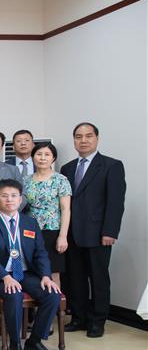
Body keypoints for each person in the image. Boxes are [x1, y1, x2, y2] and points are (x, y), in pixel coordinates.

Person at [0, 180, 61, 350]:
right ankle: (15, 344)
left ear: (20, 199)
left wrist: (46, 276)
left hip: (25, 273)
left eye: (14, 196)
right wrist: (4, 276)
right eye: (4, 195)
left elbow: (41, 253)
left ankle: (35, 342)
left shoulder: (30, 223)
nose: (9, 200)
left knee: (52, 293)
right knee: (14, 293)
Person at [60, 122, 126, 338]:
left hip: (99, 234)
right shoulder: (67, 168)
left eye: (88, 136)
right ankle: (79, 317)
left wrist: (110, 231)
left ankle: (98, 321)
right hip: (72, 233)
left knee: (98, 278)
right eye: (78, 136)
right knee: (75, 278)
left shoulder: (111, 165)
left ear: (97, 138)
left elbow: (115, 202)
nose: (83, 140)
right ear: (74, 140)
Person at [24, 142, 71, 286]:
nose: (42, 158)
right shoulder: (26, 180)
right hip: (30, 230)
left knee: (53, 270)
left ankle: (56, 305)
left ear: (53, 158)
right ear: (33, 157)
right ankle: (36, 307)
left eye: (47, 154)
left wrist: (63, 236)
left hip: (52, 231)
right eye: (38, 154)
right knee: (33, 269)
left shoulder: (61, 180)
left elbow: (65, 209)